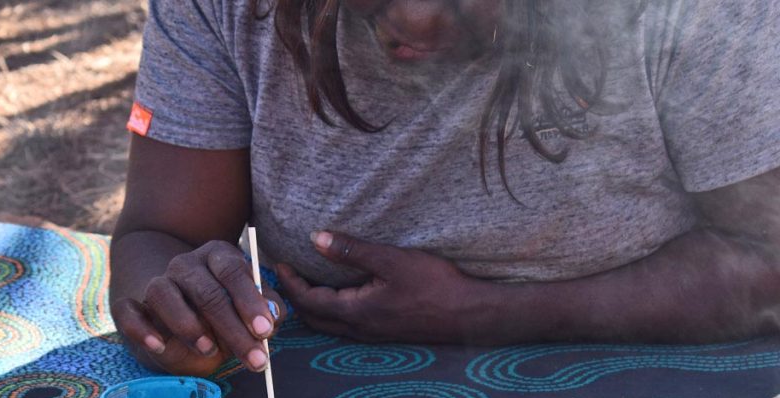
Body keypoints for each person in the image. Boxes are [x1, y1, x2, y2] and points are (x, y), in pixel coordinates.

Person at [109, 0, 780, 378]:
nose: (417, 18)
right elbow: (157, 235)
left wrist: (500, 313)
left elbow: (768, 260)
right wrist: (177, 310)